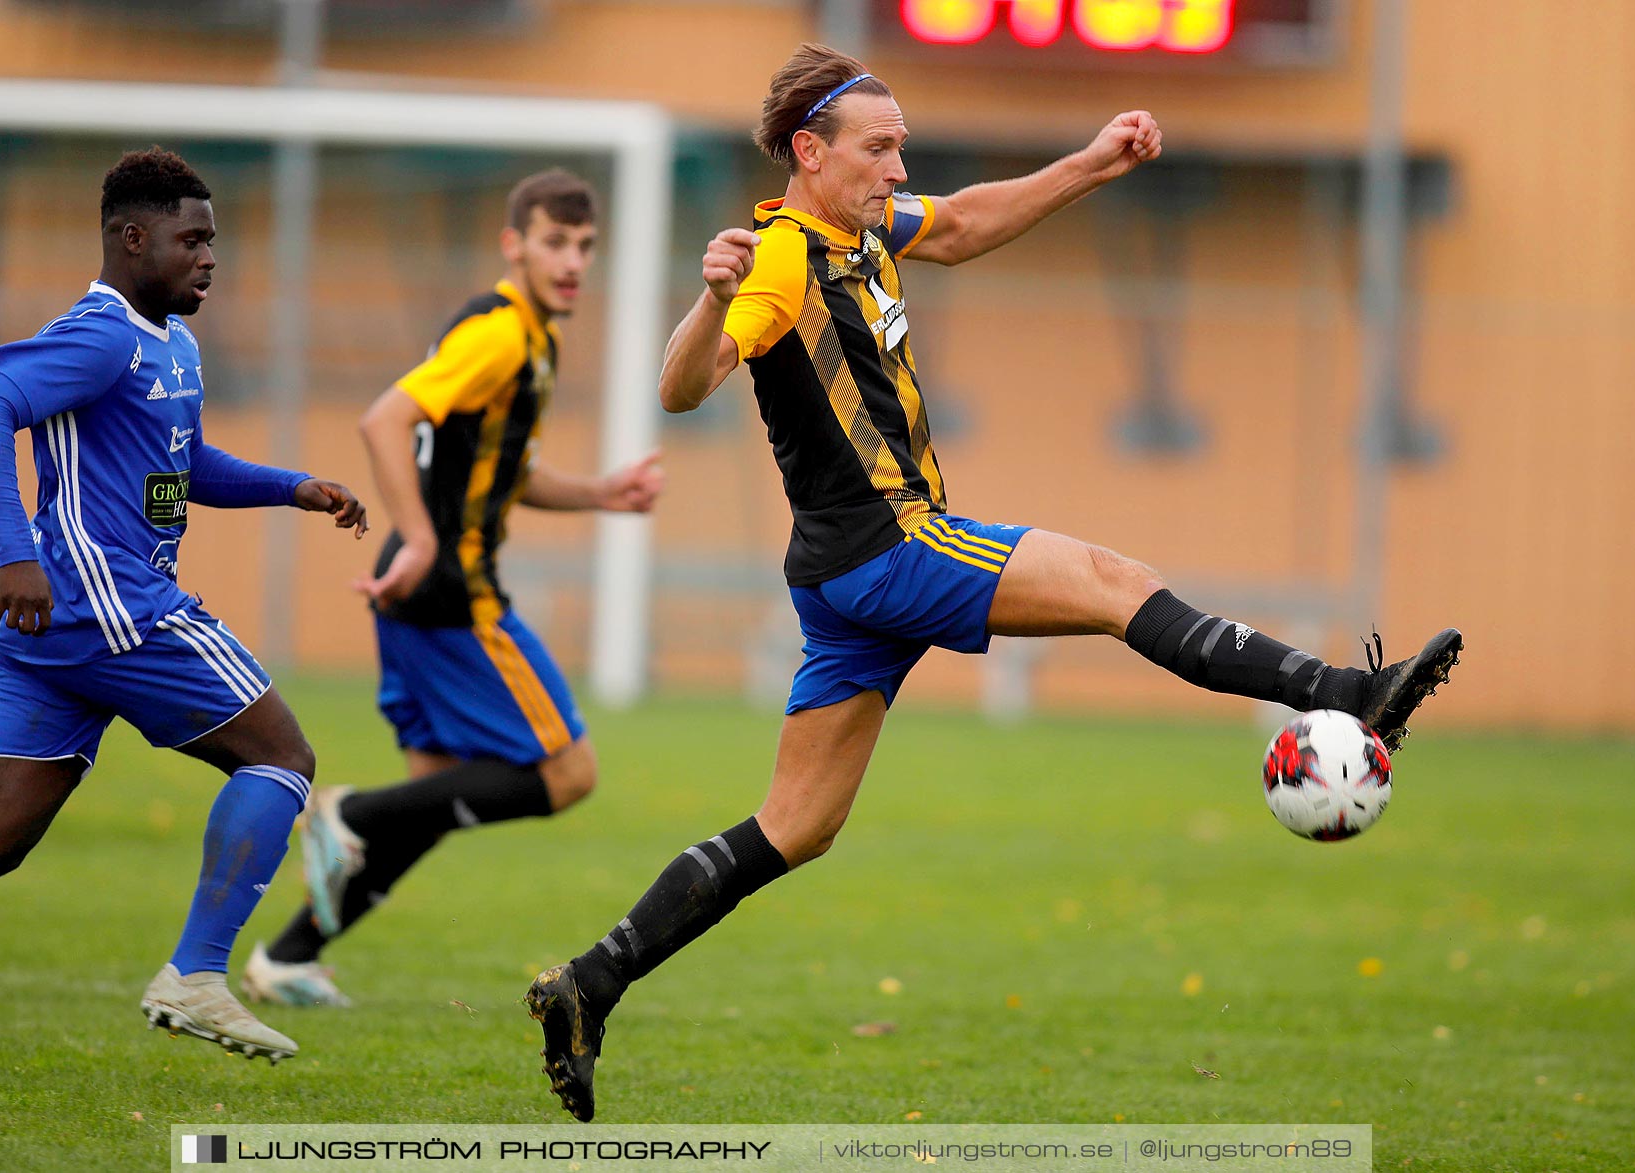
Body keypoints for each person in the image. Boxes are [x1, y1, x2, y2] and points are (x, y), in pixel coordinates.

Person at [523, 43, 1463, 1122]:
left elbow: (963, 224)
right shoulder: (780, 261)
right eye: (879, 149)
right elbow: (683, 389)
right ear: (809, 151)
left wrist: (1093, 162)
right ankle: (1341, 694)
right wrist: (710, 299)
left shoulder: (865, 226)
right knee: (1117, 581)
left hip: (841, 573)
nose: (895, 165)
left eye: (901, 147)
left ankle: (591, 984)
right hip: (889, 545)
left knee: (797, 824)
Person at [0, 147, 369, 1064]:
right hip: (114, 609)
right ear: (132, 238)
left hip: (61, 630)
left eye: (213, 239)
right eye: (192, 239)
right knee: (283, 756)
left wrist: (293, 487)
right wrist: (14, 552)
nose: (210, 257)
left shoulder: (171, 340)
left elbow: (186, 467)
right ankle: (197, 973)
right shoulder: (101, 334)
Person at [242, 169, 663, 1008]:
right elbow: (384, 419)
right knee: (568, 771)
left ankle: (286, 957)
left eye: (584, 246)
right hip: (451, 586)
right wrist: (430, 538)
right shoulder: (504, 333)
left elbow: (499, 469)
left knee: (430, 797)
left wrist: (598, 493)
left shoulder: (529, 336)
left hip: (415, 587)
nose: (573, 260)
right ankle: (349, 814)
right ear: (514, 245)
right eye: (554, 242)